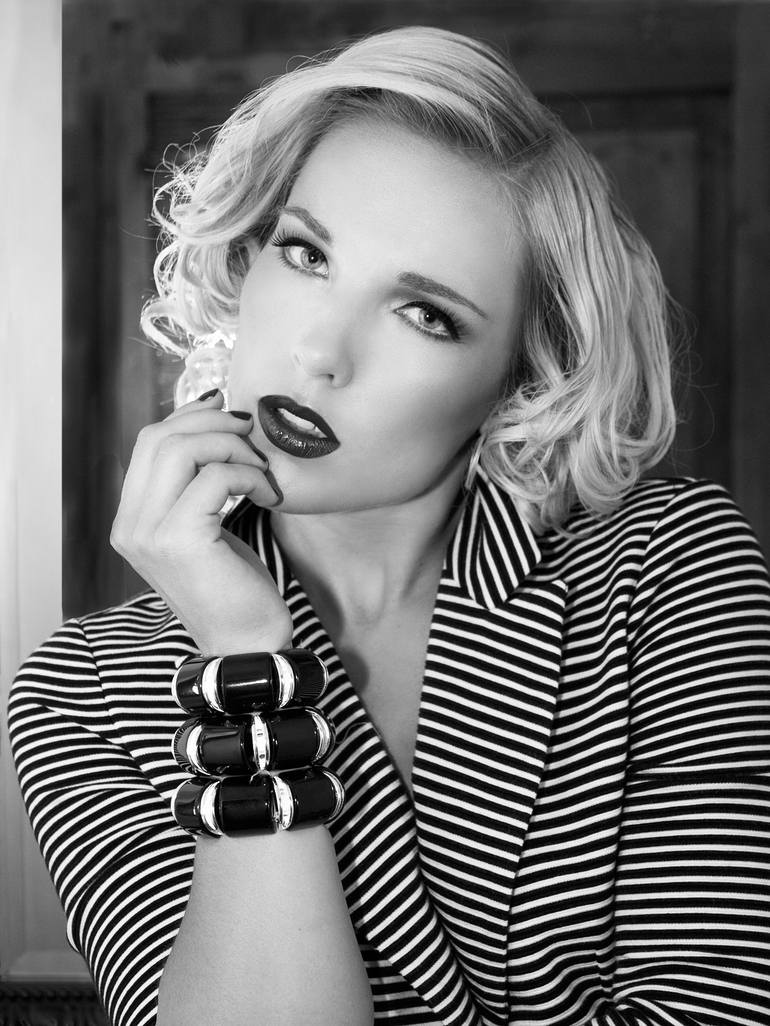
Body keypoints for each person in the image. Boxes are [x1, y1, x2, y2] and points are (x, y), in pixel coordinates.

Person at [9, 24, 770, 1026]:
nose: (322, 353)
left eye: (425, 315)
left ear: (521, 378)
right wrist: (245, 658)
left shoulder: (669, 571)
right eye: (306, 253)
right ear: (247, 257)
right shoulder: (81, 692)